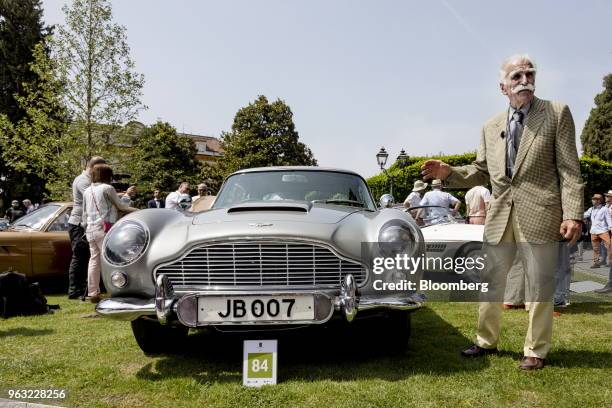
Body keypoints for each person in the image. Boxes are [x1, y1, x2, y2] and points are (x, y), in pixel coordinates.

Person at [421, 54, 583, 370]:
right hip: (499, 216)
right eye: (517, 76)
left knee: (539, 284)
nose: (525, 81)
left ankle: (535, 350)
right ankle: (485, 341)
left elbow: (569, 169)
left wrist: (573, 213)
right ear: (503, 87)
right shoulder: (490, 126)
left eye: (529, 74)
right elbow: (482, 170)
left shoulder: (556, 113)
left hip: (541, 212)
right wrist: (449, 171)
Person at [82, 164, 137, 303]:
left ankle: (93, 291)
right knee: (113, 259)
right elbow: (121, 206)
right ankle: (118, 289)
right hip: (105, 227)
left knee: (94, 260)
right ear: (108, 175)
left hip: (90, 229)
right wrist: (129, 198)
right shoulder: (108, 188)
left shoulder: (87, 191)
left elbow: (84, 213)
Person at [66, 156, 106, 299]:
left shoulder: (89, 180)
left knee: (88, 257)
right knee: (79, 256)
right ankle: (74, 290)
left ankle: (86, 288)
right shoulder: (83, 180)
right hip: (78, 223)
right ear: (95, 166)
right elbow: (94, 198)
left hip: (84, 222)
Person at [583, 194, 612, 268]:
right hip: (594, 231)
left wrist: (610, 227)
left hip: (603, 230)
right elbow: (584, 215)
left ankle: (610, 261)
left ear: (599, 201)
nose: (593, 200)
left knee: (609, 246)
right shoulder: (591, 209)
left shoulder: (604, 209)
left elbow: (608, 219)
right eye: (593, 199)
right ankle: (596, 263)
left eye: (595, 199)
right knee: (595, 248)